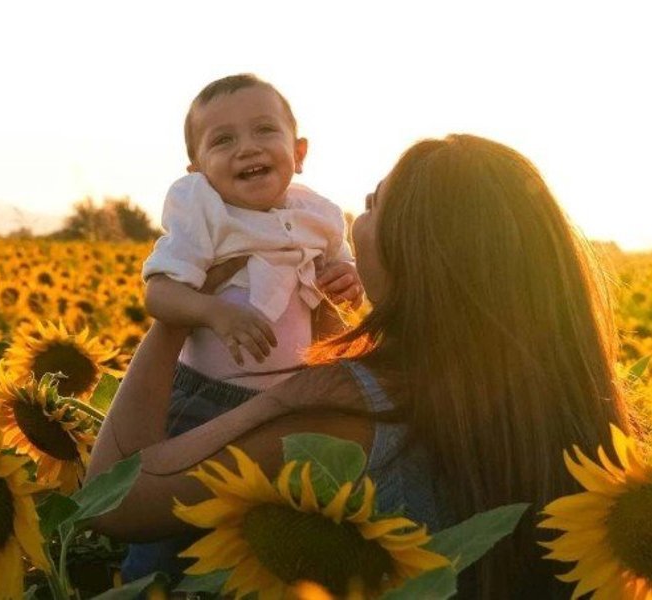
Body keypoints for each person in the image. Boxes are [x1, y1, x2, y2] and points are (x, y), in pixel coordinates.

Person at [88, 133, 631, 598]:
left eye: (373, 204)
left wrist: (176, 313)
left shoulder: (344, 407)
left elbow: (118, 499)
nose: (354, 220)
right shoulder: (578, 414)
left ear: (416, 253)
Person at [128, 73, 363, 581]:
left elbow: (337, 271)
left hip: (289, 399)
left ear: (298, 152)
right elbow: (159, 293)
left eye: (264, 131)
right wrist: (216, 312)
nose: (247, 148)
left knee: (258, 532)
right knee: (171, 524)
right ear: (197, 170)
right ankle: (143, 585)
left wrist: (348, 279)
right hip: (207, 402)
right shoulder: (203, 213)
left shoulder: (318, 214)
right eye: (223, 140)